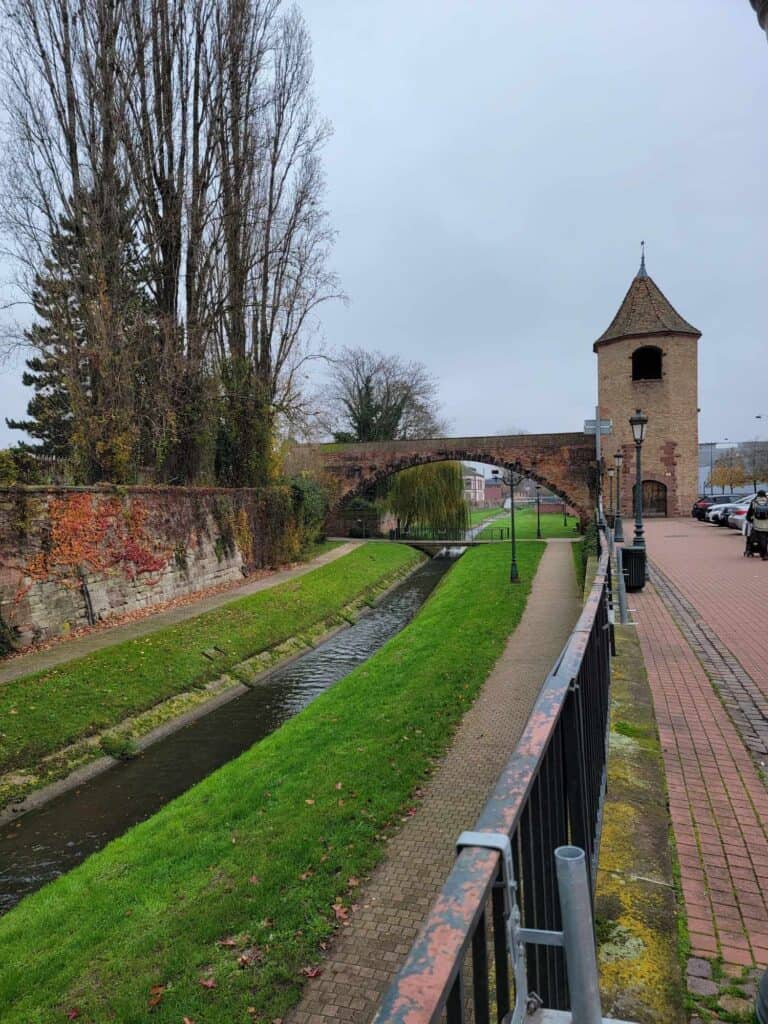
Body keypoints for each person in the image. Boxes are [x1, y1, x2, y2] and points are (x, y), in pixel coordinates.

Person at [746, 489, 768, 560]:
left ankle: (764, 554)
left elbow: (749, 513)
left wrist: (750, 519)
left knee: (762, 539)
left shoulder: (754, 502)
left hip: (758, 524)